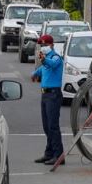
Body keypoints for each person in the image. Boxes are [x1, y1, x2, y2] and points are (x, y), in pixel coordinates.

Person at [30, 34, 64, 166]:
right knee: (46, 126)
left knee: (53, 126)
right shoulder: (45, 59)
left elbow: (52, 65)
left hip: (53, 95)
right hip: (45, 95)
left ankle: (59, 155)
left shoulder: (55, 57)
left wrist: (44, 60)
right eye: (41, 45)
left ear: (51, 45)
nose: (43, 47)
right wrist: (34, 74)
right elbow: (41, 70)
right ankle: (49, 153)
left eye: (45, 45)